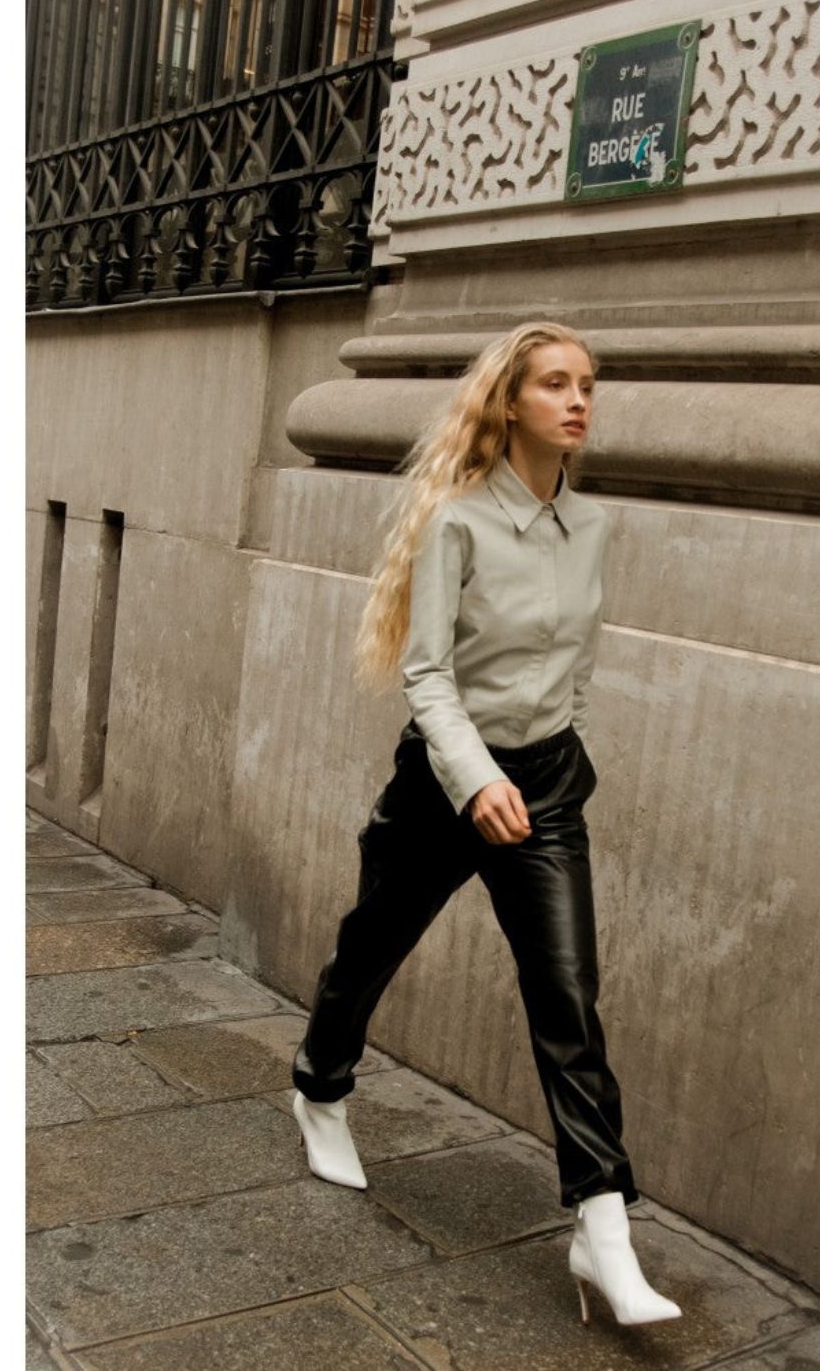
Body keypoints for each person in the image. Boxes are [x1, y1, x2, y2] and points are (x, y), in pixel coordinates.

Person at [291, 322, 682, 1327]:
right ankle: (319, 1086)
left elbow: (576, 664)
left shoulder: (591, 527)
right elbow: (427, 675)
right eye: (554, 384)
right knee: (371, 946)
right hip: (444, 785)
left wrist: (558, 755)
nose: (578, 400)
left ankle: (602, 1227)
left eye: (587, 384)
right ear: (510, 402)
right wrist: (473, 780)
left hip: (545, 787)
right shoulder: (457, 522)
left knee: (568, 994)